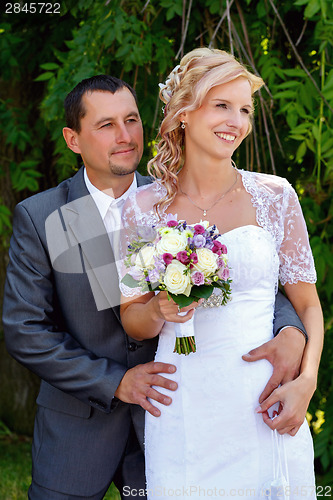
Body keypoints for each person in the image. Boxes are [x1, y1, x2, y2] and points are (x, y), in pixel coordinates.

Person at [2, 74, 308, 500]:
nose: (125, 136)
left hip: (175, 417)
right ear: (73, 139)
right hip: (78, 429)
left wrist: (293, 331)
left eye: (131, 120)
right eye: (106, 125)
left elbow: (249, 279)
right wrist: (115, 382)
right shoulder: (42, 217)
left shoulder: (173, 199)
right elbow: (25, 329)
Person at [119, 49, 324, 499]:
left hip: (265, 398)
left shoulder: (275, 196)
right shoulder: (140, 209)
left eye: (245, 109)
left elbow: (308, 304)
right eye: (222, 105)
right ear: (184, 114)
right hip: (183, 403)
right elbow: (131, 317)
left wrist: (307, 381)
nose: (237, 120)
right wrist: (159, 307)